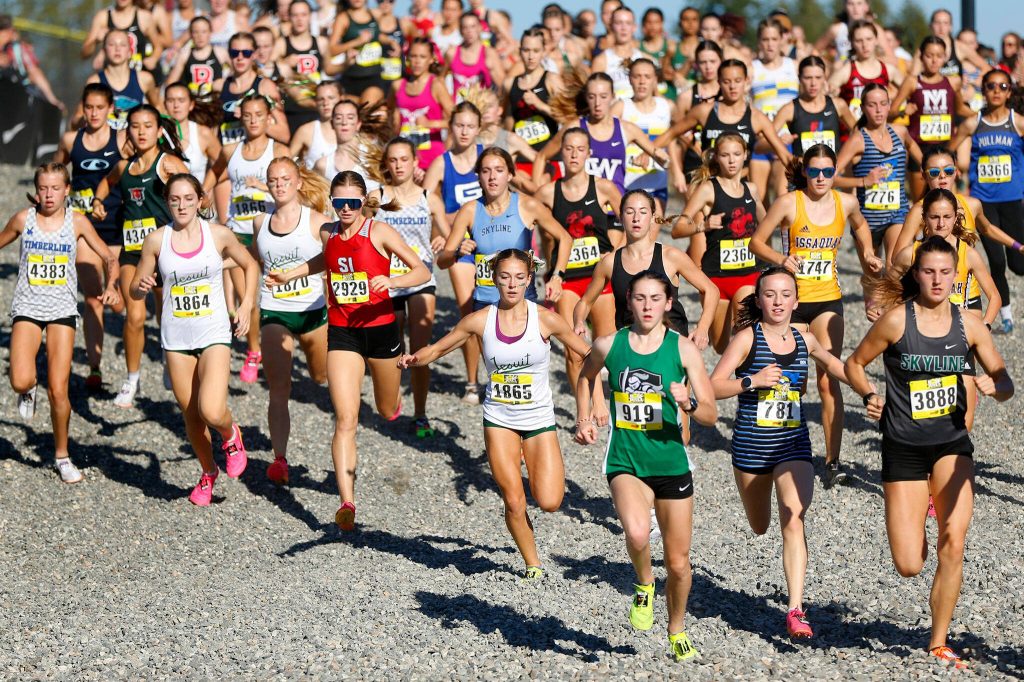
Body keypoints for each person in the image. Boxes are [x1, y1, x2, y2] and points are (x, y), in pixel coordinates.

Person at [845, 236, 1014, 670]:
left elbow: (1003, 379)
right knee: (908, 563)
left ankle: (938, 640)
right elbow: (854, 363)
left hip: (951, 447)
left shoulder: (970, 325)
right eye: (929, 271)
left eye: (944, 272)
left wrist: (997, 388)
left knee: (953, 543)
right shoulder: (896, 322)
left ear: (955, 276)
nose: (937, 279)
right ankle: (915, 510)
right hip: (902, 448)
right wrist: (867, 392)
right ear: (916, 275)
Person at [402, 248, 594, 579]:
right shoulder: (480, 319)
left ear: (529, 279)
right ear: (494, 279)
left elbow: (588, 356)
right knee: (514, 500)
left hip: (538, 419)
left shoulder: (544, 318)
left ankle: (529, 460)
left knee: (549, 500)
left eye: (520, 277)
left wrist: (588, 409)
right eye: (505, 277)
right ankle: (532, 564)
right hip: (500, 420)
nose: (512, 284)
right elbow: (440, 347)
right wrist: (414, 359)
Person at [267, 170, 429, 531]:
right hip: (343, 333)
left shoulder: (379, 231)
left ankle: (395, 403)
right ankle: (347, 502)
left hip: (382, 330)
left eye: (352, 203)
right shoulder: (328, 232)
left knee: (386, 409)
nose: (345, 209)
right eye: (338, 202)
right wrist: (290, 275)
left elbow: (420, 271)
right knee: (345, 419)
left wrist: (393, 280)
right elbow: (327, 260)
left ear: (363, 202)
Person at [575, 270, 716, 662]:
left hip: (671, 463)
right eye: (640, 298)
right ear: (629, 303)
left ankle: (676, 628)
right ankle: (643, 584)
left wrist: (687, 402)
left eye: (656, 298)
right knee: (637, 534)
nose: (648, 306)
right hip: (626, 459)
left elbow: (710, 414)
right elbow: (585, 377)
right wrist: (584, 416)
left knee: (679, 563)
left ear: (668, 303)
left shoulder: (683, 349)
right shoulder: (610, 344)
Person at [709, 266, 855, 639]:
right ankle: (760, 516)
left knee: (794, 515)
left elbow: (835, 364)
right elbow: (712, 387)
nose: (777, 301)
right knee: (760, 526)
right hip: (751, 447)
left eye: (785, 294)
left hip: (793, 443)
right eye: (770, 294)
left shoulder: (804, 339)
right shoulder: (746, 338)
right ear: (759, 300)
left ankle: (795, 609)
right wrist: (752, 381)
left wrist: (869, 389)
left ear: (796, 300)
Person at [749, 143, 883, 486]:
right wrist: (781, 261)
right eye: (814, 171)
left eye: (828, 171)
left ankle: (832, 460)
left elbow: (861, 225)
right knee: (788, 380)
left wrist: (867, 252)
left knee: (827, 379)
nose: (821, 177)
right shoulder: (789, 203)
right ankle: (779, 451)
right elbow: (757, 242)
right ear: (805, 172)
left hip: (827, 300)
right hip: (790, 303)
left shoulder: (846, 202)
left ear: (836, 172)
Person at [130, 173, 259, 505]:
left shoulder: (217, 235)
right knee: (191, 417)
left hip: (213, 332)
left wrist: (245, 306)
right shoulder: (156, 240)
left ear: (200, 200)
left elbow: (250, 264)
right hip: (176, 338)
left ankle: (231, 436)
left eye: (189, 198)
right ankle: (208, 472)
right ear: (167, 202)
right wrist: (140, 286)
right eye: (175, 199)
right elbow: (135, 284)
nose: (182, 205)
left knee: (212, 411)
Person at [1, 164, 120, 484]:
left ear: (67, 189)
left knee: (59, 389)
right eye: (43, 189)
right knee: (19, 380)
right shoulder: (24, 220)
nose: (49, 195)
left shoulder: (76, 222)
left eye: (55, 188)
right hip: (27, 306)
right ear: (36, 190)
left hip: (62, 310)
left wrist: (110, 287)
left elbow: (110, 258)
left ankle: (62, 455)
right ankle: (28, 390)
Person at [91, 104, 192, 407]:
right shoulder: (123, 167)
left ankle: (167, 358)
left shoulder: (168, 163)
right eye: (135, 126)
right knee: (134, 316)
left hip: (165, 251)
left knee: (167, 314)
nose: (141, 132)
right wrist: (98, 200)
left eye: (148, 126)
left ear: (159, 131)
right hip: (132, 252)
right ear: (128, 131)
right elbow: (106, 182)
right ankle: (131, 380)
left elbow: (195, 193)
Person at [253, 157, 332, 484]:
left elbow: (336, 261)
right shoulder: (259, 223)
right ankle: (280, 459)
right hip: (275, 312)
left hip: (314, 313)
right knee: (278, 388)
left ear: (299, 182)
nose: (279, 184)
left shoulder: (318, 222)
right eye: (273, 180)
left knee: (320, 377)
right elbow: (255, 264)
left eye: (286, 179)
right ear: (268, 185)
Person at [208, 94, 291, 384]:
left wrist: (265, 188)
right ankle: (254, 351)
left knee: (277, 294)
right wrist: (204, 195)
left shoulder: (279, 150)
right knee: (248, 297)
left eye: (259, 114)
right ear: (240, 118)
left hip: (270, 230)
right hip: (238, 232)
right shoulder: (230, 150)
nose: (254, 120)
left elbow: (296, 191)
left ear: (269, 117)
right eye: (248, 115)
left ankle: (285, 342)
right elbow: (214, 173)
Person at [372, 138, 451, 438]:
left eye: (404, 159)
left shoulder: (429, 197)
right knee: (393, 348)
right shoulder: (376, 197)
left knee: (420, 351)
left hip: (421, 278)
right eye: (393, 160)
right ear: (387, 165)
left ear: (416, 162)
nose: (399, 165)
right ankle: (392, 398)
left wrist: (444, 241)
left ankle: (420, 413)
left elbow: (448, 235)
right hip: (387, 280)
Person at [573, 190, 718, 353]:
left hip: (672, 347)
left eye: (643, 212)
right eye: (629, 212)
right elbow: (585, 302)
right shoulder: (609, 263)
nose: (636, 218)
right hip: (631, 349)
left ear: (652, 218)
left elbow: (711, 289)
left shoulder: (671, 256)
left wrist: (703, 328)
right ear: (620, 217)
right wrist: (579, 322)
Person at [535, 128, 623, 394]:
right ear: (561, 152)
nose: (574, 155)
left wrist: (616, 253)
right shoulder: (547, 193)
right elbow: (535, 227)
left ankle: (616, 405)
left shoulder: (604, 187)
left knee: (606, 347)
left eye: (579, 149)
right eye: (569, 149)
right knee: (574, 351)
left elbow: (634, 224)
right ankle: (582, 409)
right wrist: (548, 268)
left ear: (589, 153)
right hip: (568, 280)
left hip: (601, 279)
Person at [53, 83, 126, 390]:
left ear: (110, 109)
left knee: (116, 299)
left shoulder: (122, 140)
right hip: (84, 227)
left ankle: (118, 296)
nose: (94, 113)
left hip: (118, 226)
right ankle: (95, 367)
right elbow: (56, 172)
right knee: (93, 297)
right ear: (83, 108)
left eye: (100, 107)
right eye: (89, 107)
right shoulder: (71, 139)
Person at [947, 68, 1024, 334]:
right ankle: (1006, 316)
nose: (996, 91)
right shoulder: (973, 123)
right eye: (990, 86)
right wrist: (950, 170)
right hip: (983, 202)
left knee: (1018, 264)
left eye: (1002, 86)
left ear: (1009, 92)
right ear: (984, 90)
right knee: (997, 262)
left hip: (1013, 200)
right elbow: (950, 149)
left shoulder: (1018, 122)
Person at [673, 133, 765, 353]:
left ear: (746, 156)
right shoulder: (707, 189)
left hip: (748, 274)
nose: (731, 160)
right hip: (716, 279)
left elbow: (767, 224)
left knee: (747, 334)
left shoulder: (752, 189)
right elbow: (677, 230)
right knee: (720, 346)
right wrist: (702, 225)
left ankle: (743, 383)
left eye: (736, 154)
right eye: (725, 155)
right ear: (716, 158)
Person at [423, 102, 483, 403]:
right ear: (451, 127)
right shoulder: (441, 163)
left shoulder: (488, 157)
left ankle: (500, 377)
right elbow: (425, 205)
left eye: (470, 126)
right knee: (469, 311)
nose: (464, 131)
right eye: (459, 125)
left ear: (478, 129)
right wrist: (440, 233)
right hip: (459, 246)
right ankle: (472, 381)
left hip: (490, 244)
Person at [893, 148, 1023, 283]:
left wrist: (1019, 247)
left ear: (956, 172)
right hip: (933, 286)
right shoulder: (918, 210)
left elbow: (987, 229)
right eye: (934, 172)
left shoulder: (972, 205)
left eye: (948, 171)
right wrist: (929, 264)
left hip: (966, 289)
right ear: (924, 176)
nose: (942, 176)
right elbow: (897, 257)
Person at [536, 73, 670, 196]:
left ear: (613, 97)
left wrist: (663, 158)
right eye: (592, 97)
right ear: (586, 98)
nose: (597, 103)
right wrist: (536, 191)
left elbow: (659, 156)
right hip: (581, 210)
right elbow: (541, 156)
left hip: (614, 209)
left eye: (603, 96)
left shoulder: (627, 129)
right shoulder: (574, 128)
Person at [887, 188, 1000, 334]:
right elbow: (886, 286)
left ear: (955, 217)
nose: (941, 223)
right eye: (934, 217)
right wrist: (877, 307)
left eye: (947, 216)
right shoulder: (910, 253)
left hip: (960, 329)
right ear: (924, 218)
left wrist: (985, 326)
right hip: (922, 328)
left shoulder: (968, 254)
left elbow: (995, 297)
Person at [654, 60, 793, 172]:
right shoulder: (704, 111)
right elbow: (672, 133)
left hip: (740, 190)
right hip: (708, 186)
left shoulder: (757, 117)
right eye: (727, 82)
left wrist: (805, 174)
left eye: (737, 81)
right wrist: (648, 151)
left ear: (746, 81)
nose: (732, 86)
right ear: (719, 82)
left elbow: (784, 155)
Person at [834, 82, 921, 260]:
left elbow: (924, 162)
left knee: (893, 266)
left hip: (897, 214)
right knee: (873, 278)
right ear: (862, 108)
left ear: (890, 105)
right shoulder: (858, 140)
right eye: (872, 105)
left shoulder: (900, 132)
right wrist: (863, 181)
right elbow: (830, 178)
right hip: (866, 221)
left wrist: (942, 170)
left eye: (883, 104)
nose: (878, 110)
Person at [891, 36, 970, 202]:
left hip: (945, 150)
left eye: (939, 56)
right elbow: (890, 112)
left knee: (948, 202)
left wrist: (984, 115)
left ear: (945, 57)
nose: (934, 60)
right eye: (929, 55)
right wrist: (903, 112)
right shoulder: (912, 82)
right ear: (921, 57)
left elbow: (961, 109)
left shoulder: (953, 81)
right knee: (921, 204)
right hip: (919, 150)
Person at [613, 58, 675, 207]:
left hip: (657, 184)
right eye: (637, 76)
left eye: (647, 77)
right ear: (629, 79)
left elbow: (674, 136)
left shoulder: (667, 106)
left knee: (653, 230)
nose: (642, 81)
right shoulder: (621, 107)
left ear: (655, 80)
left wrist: (677, 171)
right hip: (626, 184)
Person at [749, 18, 799, 199]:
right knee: (758, 199)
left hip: (787, 140)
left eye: (774, 39)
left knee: (782, 195)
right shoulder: (752, 69)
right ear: (759, 42)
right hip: (761, 141)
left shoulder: (793, 66)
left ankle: (784, 229)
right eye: (765, 39)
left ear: (782, 40)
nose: (770, 45)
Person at [773, 56, 856, 161]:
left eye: (818, 77)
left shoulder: (838, 105)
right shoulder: (789, 109)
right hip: (804, 174)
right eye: (808, 78)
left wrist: (843, 160)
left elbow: (860, 135)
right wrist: (780, 142)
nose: (813, 83)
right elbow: (760, 145)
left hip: (833, 174)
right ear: (799, 78)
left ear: (825, 78)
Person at [75, 30, 161, 132]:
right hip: (105, 145)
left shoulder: (145, 79)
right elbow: (77, 119)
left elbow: (158, 108)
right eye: (111, 44)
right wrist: (86, 119)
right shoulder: (94, 82)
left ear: (130, 52)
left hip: (135, 144)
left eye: (123, 45)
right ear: (104, 50)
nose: (117, 49)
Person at [390, 37, 453, 172]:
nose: (417, 61)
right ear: (407, 58)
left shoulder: (436, 85)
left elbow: (458, 120)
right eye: (413, 56)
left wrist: (431, 124)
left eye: (422, 57)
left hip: (431, 159)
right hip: (403, 160)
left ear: (431, 59)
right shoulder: (397, 85)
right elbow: (390, 113)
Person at [828, 20, 902, 121]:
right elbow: (823, 100)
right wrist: (832, 94)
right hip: (851, 133)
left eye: (869, 39)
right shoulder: (845, 71)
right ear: (852, 43)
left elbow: (912, 92)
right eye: (859, 40)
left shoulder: (889, 70)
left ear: (876, 40)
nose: (864, 45)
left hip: (879, 133)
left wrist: (896, 108)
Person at [504, 28, 562, 155]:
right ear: (520, 51)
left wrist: (539, 105)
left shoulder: (552, 80)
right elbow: (508, 121)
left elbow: (567, 117)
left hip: (549, 156)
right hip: (520, 157)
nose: (530, 56)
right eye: (526, 50)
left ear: (543, 52)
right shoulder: (509, 84)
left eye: (536, 51)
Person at [81, 0, 162, 74]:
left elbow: (158, 46)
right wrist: (95, 41)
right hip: (112, 78)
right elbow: (84, 54)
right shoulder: (103, 17)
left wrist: (154, 58)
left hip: (138, 78)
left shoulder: (144, 17)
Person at [164, 82, 221, 186]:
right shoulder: (157, 134)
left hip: (194, 200)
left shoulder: (203, 133)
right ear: (165, 104)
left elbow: (222, 167)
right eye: (171, 100)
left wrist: (203, 191)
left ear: (191, 105)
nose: (176, 105)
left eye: (181, 100)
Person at [330, 0, 385, 103]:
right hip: (351, 77)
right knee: (353, 114)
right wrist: (356, 42)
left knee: (367, 109)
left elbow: (380, 35)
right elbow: (332, 49)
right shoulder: (343, 18)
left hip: (374, 76)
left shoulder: (376, 14)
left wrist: (391, 42)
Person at [166, 16, 230, 97]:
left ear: (210, 33)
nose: (200, 36)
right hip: (192, 103)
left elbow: (237, 73)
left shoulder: (220, 52)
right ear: (191, 34)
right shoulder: (184, 55)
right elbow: (171, 82)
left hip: (215, 103)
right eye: (196, 32)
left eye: (204, 32)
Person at [444, 11, 503, 97]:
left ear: (480, 28)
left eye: (473, 26)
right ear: (460, 30)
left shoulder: (489, 53)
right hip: (458, 108)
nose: (469, 31)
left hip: (482, 108)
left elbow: (503, 85)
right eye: (465, 27)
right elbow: (440, 79)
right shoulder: (451, 53)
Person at [591, 6, 644, 100]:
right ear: (611, 26)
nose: (623, 28)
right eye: (619, 23)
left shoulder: (645, 58)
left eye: (628, 23)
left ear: (634, 27)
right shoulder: (601, 61)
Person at [289, 81, 341, 170]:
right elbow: (286, 163)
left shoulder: (353, 128)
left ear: (341, 99)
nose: (326, 103)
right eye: (321, 99)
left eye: (331, 98)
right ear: (315, 102)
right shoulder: (306, 131)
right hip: (316, 183)